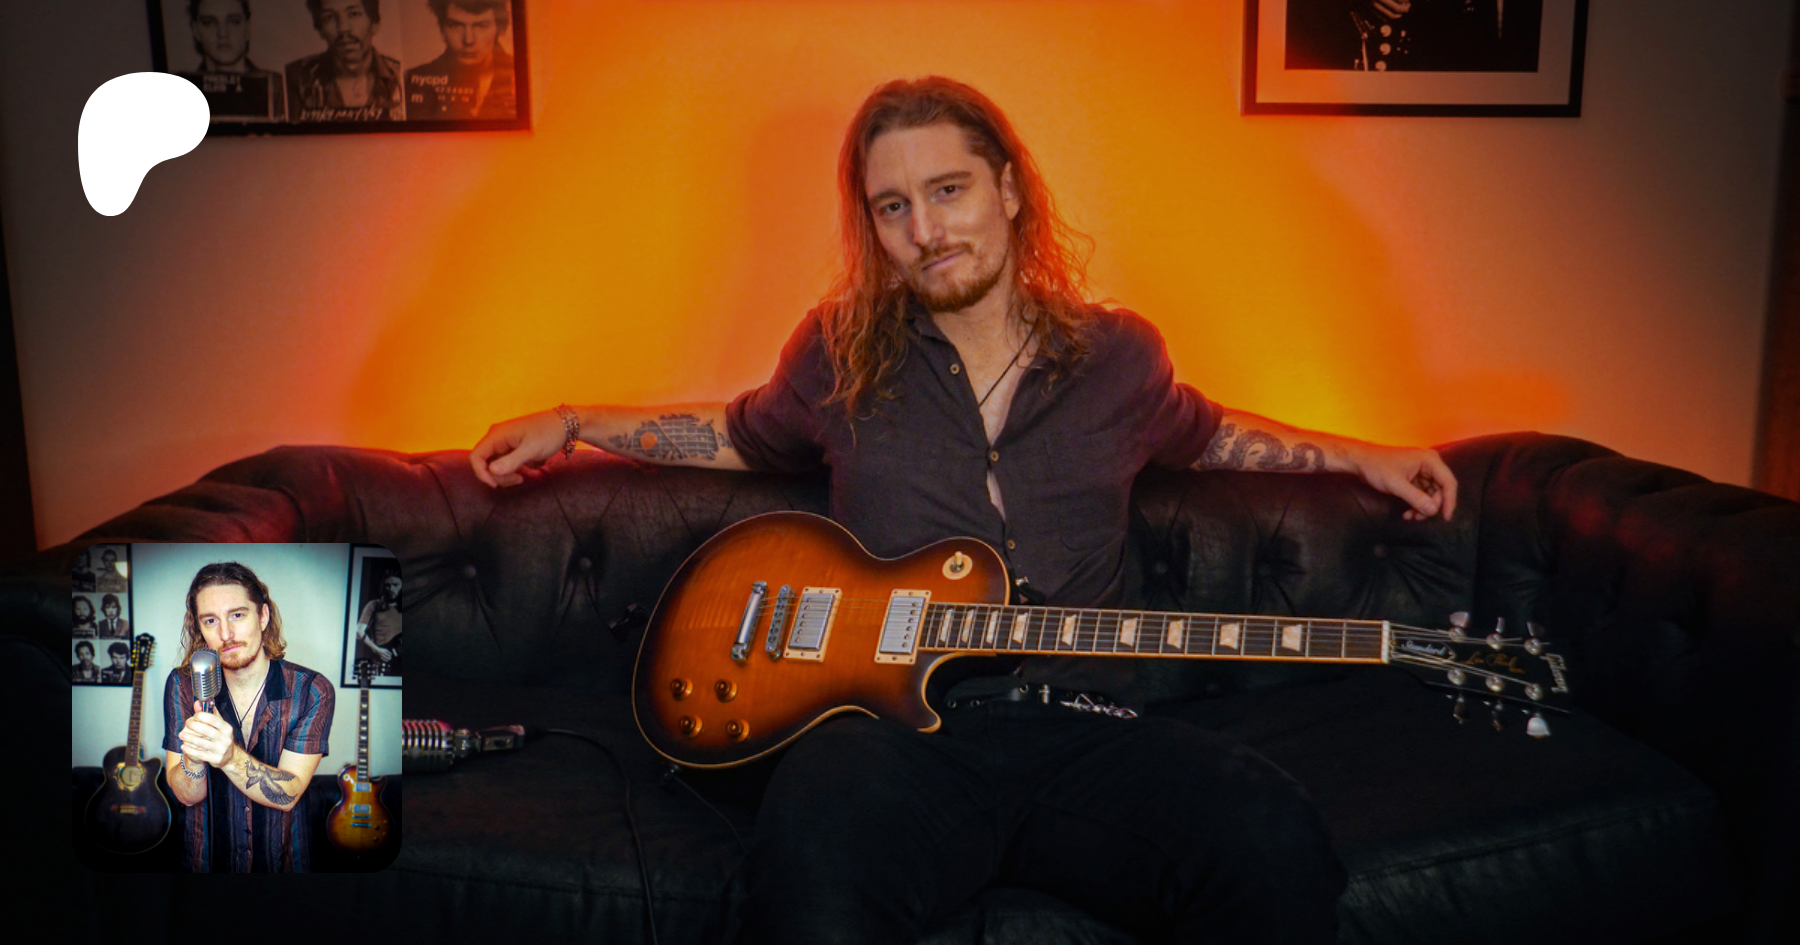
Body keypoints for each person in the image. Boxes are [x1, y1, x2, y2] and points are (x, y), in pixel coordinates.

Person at [469, 77, 1456, 943]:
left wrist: (1360, 456)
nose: (927, 231)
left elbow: (1211, 436)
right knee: (811, 878)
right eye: (893, 207)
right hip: (890, 740)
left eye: (949, 191)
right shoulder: (839, 353)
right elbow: (734, 431)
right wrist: (573, 422)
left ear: (1009, 190)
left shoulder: (1119, 358)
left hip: (1084, 725)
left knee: (1272, 843)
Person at [162, 562, 335, 872]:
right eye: (211, 620)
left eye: (237, 615)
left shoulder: (312, 690)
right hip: (206, 861)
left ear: (263, 616)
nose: (225, 634)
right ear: (200, 629)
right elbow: (187, 796)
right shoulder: (183, 684)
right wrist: (194, 759)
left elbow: (288, 794)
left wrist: (229, 758)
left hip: (282, 862)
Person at [284, 0, 404, 122]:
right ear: (320, 29)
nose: (343, 28)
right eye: (329, 17)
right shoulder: (297, 79)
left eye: (354, 14)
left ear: (374, 23)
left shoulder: (401, 77)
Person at [174, 0, 287, 121]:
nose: (223, 34)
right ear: (195, 29)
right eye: (208, 23)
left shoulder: (280, 90)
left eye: (234, 21)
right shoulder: (179, 92)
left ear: (247, 27)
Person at [404, 0, 516, 120]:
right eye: (456, 26)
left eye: (481, 26)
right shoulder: (413, 82)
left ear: (500, 29)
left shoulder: (521, 74)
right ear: (442, 29)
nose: (468, 40)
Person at [354, 568, 402, 674]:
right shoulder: (374, 605)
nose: (391, 588)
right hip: (380, 658)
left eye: (395, 585)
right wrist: (377, 650)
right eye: (387, 585)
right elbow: (358, 632)